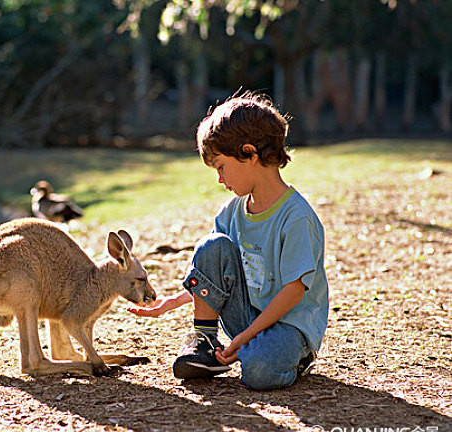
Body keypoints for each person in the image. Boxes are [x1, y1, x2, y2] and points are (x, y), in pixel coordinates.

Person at [129, 91, 329, 390]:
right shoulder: (232, 212)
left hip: (289, 326)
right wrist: (173, 301)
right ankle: (206, 343)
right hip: (246, 317)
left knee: (258, 373)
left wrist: (243, 339)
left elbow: (293, 293)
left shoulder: (296, 218)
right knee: (212, 245)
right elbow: (212, 276)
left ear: (249, 153)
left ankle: (292, 359)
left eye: (221, 167)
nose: (220, 180)